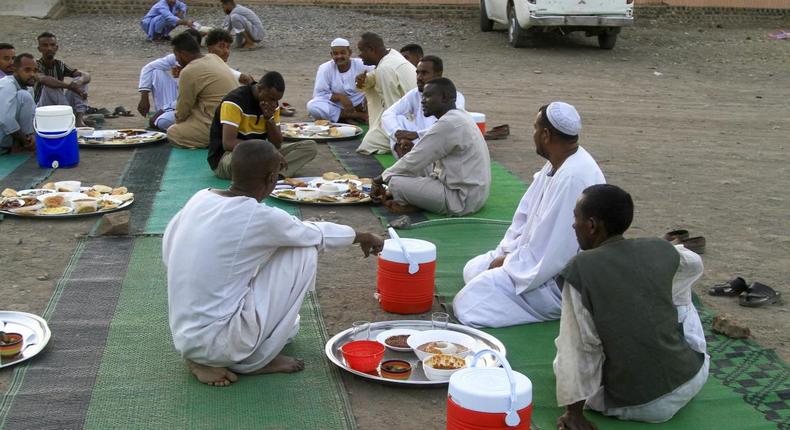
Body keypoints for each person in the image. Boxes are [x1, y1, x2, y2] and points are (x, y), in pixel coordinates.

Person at [164, 140, 384, 386]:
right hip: (221, 342)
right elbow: (315, 234)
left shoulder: (200, 199)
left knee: (289, 329)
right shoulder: (257, 216)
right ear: (272, 177)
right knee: (304, 249)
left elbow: (169, 251)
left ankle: (201, 357)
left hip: (185, 336)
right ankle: (256, 361)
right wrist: (365, 236)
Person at [554, 184, 708, 429]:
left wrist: (574, 413)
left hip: (641, 405)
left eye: (576, 218)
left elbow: (579, 347)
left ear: (592, 225)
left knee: (569, 345)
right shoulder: (660, 248)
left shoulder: (581, 269)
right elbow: (694, 263)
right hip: (693, 377)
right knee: (682, 299)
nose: (574, 225)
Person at [453, 102, 605, 328]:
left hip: (555, 281)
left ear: (545, 134)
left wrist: (508, 263)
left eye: (535, 128)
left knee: (468, 304)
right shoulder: (557, 164)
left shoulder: (573, 177)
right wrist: (505, 252)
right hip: (527, 260)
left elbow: (554, 253)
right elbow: (524, 216)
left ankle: (556, 308)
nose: (532, 134)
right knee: (473, 269)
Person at [371, 78, 489, 216]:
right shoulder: (459, 116)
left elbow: (413, 160)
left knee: (395, 182)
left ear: (444, 97)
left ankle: (417, 203)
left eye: (427, 96)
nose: (422, 101)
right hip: (475, 195)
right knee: (415, 165)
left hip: (461, 200)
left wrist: (379, 179)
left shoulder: (448, 124)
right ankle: (419, 201)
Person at [139, 29, 253, 130]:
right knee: (156, 72)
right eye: (221, 46)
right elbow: (149, 68)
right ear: (209, 47)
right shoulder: (186, 60)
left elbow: (233, 74)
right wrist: (145, 96)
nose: (226, 51)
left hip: (206, 114)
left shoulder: (211, 62)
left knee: (168, 126)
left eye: (228, 47)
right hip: (183, 104)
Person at [208, 72, 317, 179]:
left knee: (309, 147)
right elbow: (229, 143)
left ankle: (274, 176)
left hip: (259, 154)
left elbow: (277, 144)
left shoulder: (272, 104)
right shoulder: (234, 102)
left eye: (277, 100)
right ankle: (270, 173)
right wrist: (266, 152)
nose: (274, 103)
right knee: (252, 161)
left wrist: (269, 119)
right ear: (260, 89)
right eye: (271, 98)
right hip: (228, 157)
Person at [381, 55, 465, 158]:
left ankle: (410, 157)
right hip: (416, 141)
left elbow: (448, 127)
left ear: (439, 74)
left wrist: (417, 134)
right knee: (397, 119)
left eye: (424, 73)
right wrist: (397, 134)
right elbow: (388, 114)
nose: (419, 77)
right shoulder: (415, 93)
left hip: (438, 145)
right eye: (417, 73)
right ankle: (405, 151)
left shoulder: (453, 97)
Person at [166, 31, 238, 149]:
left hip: (218, 126)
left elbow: (182, 110)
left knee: (173, 132)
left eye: (176, 56)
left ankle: (212, 141)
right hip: (234, 122)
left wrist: (181, 124)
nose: (177, 60)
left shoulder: (189, 71)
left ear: (183, 54)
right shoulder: (214, 58)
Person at [354, 32, 416, 155]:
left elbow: (393, 106)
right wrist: (365, 80)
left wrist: (395, 132)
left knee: (368, 144)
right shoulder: (391, 54)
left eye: (362, 51)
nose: (359, 55)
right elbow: (375, 76)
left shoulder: (385, 68)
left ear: (371, 49)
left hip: (411, 118)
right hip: (412, 112)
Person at [34, 32, 92, 128]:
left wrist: (78, 83)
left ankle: (79, 120)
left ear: (56, 48)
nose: (49, 48)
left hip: (61, 104)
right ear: (39, 49)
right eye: (45, 45)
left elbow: (86, 75)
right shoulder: (35, 65)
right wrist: (71, 87)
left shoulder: (59, 64)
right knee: (51, 86)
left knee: (81, 81)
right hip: (43, 107)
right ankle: (69, 119)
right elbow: (46, 80)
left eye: (52, 45)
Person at [306, 38, 371, 123]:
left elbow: (377, 78)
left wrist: (367, 98)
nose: (339, 56)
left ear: (350, 53)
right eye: (335, 54)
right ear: (331, 55)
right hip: (337, 105)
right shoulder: (325, 68)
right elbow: (319, 94)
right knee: (313, 106)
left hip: (360, 103)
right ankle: (358, 116)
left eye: (343, 53)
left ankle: (343, 117)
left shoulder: (362, 64)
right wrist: (340, 97)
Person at [0, 53, 37, 154]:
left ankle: (26, 140)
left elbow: (31, 115)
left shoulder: (28, 87)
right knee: (23, 96)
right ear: (15, 70)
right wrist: (25, 141)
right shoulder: (7, 85)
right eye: (27, 70)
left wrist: (32, 135)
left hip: (8, 136)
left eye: (35, 70)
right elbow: (5, 119)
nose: (32, 74)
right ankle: (22, 144)